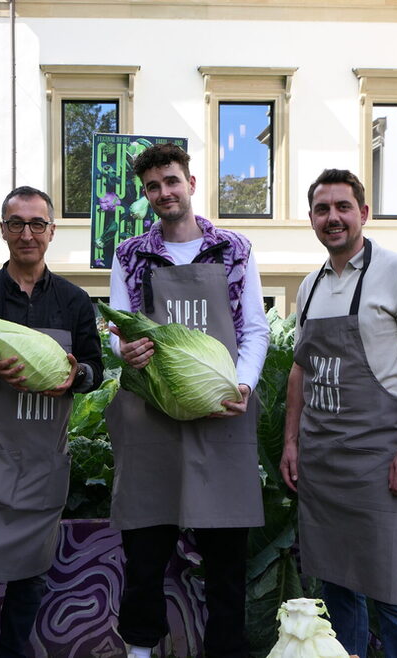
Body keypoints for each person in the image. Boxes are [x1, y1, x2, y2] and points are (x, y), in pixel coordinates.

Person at [105, 143, 269, 658]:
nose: (163, 193)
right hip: (152, 415)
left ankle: (226, 648)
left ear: (191, 183)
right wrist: (125, 349)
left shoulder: (234, 249)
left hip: (223, 413)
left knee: (225, 554)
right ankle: (138, 648)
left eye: (171, 181)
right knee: (145, 547)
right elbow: (117, 327)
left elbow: (255, 330)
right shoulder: (130, 254)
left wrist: (239, 385)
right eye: (153, 186)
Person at [279, 169, 397, 658]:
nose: (333, 218)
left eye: (343, 207)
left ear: (364, 214)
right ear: (311, 219)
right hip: (324, 464)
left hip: (382, 461)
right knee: (336, 590)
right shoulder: (310, 285)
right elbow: (299, 370)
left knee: (396, 596)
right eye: (323, 209)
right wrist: (291, 441)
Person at [0, 185, 104, 657]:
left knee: (28, 581)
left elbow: (95, 369)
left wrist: (77, 376)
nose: (26, 233)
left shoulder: (74, 301)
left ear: (51, 231)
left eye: (36, 224)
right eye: (16, 224)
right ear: (3, 230)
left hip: (42, 459)